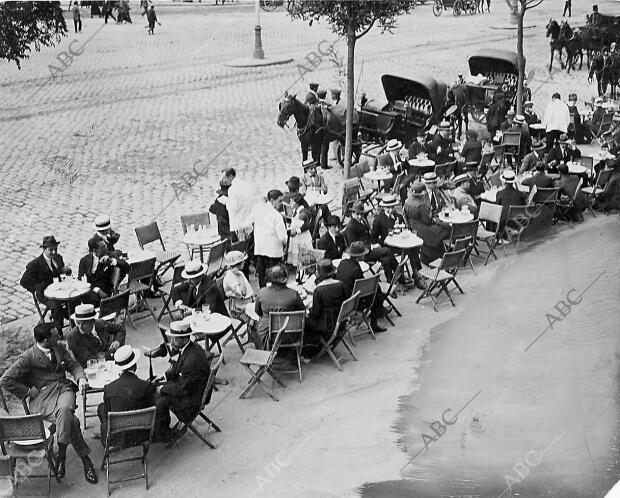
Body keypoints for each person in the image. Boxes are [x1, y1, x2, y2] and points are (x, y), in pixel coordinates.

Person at [0, 323, 98, 484]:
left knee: (66, 409)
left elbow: (73, 364)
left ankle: (61, 454)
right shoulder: (28, 356)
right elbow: (5, 380)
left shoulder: (59, 347)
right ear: (45, 340)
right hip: (43, 398)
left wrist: (80, 377)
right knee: (71, 421)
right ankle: (85, 461)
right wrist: (27, 391)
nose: (58, 337)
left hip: (64, 390)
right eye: (54, 335)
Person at [152, 321, 211, 442]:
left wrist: (162, 388)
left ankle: (163, 433)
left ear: (185, 339)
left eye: (175, 339)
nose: (171, 342)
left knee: (162, 400)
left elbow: (183, 389)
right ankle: (160, 428)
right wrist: (164, 376)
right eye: (172, 339)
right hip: (192, 387)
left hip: (193, 398)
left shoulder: (191, 359)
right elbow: (178, 367)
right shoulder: (190, 347)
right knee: (156, 385)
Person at [97, 345, 155, 448]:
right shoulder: (146, 386)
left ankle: (106, 438)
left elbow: (106, 414)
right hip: (141, 436)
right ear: (135, 366)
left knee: (101, 408)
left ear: (119, 369)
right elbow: (152, 408)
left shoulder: (109, 388)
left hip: (117, 439)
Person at [20, 235, 72, 334]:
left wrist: (66, 271)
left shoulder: (58, 258)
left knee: (73, 298)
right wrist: (36, 288)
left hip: (60, 289)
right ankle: (58, 330)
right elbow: (23, 281)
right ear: (44, 249)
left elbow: (60, 272)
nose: (54, 252)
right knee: (57, 305)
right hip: (45, 294)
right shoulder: (35, 264)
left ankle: (72, 322)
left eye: (55, 249)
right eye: (51, 250)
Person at [371, 195, 423, 288]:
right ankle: (395, 278)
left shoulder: (398, 216)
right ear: (383, 207)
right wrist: (382, 242)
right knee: (387, 258)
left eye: (392, 207)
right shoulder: (378, 220)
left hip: (401, 244)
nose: (390, 210)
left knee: (413, 249)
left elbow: (405, 229)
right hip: (388, 246)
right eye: (388, 208)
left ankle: (416, 275)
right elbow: (373, 238)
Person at [335, 242, 387, 333]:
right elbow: (362, 286)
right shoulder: (356, 269)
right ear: (360, 256)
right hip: (353, 302)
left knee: (376, 290)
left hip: (342, 297)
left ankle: (380, 311)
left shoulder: (342, 263)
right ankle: (374, 324)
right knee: (377, 295)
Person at [344, 200, 398, 282]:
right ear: (352, 213)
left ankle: (390, 281)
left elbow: (369, 236)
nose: (359, 216)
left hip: (369, 247)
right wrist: (372, 247)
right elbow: (354, 246)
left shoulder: (362, 220)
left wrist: (375, 243)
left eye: (361, 214)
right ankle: (399, 274)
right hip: (362, 253)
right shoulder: (351, 226)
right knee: (388, 250)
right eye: (357, 214)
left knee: (386, 259)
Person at [254, 265, 305, 348]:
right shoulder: (294, 293)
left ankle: (261, 348)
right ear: (286, 278)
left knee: (253, 323)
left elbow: (258, 312)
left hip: (269, 336)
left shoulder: (262, 292)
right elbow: (302, 312)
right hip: (291, 336)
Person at [303, 259, 349, 353]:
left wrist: (308, 309)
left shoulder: (319, 290)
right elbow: (345, 300)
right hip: (340, 321)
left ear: (320, 273)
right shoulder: (340, 284)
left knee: (304, 318)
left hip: (327, 325)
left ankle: (310, 348)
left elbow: (315, 314)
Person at [404, 181, 451, 264]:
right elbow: (427, 221)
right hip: (422, 229)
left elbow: (405, 216)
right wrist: (436, 221)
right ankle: (436, 256)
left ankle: (428, 255)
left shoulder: (407, 201)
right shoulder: (421, 204)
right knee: (444, 229)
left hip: (412, 227)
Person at [66, 304, 126, 368]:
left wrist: (117, 341)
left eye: (84, 324)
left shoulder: (100, 324)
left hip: (110, 362)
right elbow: (87, 359)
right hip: (92, 368)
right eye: (78, 323)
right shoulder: (73, 336)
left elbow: (120, 328)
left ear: (92, 321)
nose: (80, 327)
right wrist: (110, 354)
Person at [252, 189, 288, 288]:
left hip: (260, 250)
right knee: (275, 278)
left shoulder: (257, 211)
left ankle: (263, 296)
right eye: (279, 201)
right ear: (272, 201)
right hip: (274, 253)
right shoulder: (276, 216)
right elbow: (282, 238)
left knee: (263, 277)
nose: (281, 203)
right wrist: (285, 244)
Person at [78, 237, 126, 303]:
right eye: (103, 247)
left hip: (105, 292)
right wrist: (96, 289)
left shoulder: (109, 255)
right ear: (95, 250)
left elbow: (125, 265)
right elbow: (80, 279)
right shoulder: (85, 260)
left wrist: (112, 261)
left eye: (105, 246)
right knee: (76, 299)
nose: (106, 248)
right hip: (90, 290)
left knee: (85, 300)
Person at [222, 251, 256, 332]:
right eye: (242, 261)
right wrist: (240, 278)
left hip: (246, 303)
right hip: (237, 309)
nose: (244, 262)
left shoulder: (239, 273)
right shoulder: (230, 277)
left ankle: (252, 334)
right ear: (237, 264)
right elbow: (242, 293)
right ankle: (255, 336)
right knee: (258, 321)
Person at [287, 193, 314, 267]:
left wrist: (297, 231)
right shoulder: (296, 210)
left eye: (292, 201)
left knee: (303, 255)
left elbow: (307, 225)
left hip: (302, 237)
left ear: (297, 203)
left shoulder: (303, 212)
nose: (290, 203)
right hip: (296, 235)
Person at [301, 159, 330, 223]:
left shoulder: (320, 177)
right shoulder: (303, 178)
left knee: (325, 208)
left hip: (319, 199)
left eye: (314, 168)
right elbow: (304, 192)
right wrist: (318, 189)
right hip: (309, 200)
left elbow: (324, 189)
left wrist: (324, 190)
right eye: (311, 169)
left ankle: (328, 222)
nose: (314, 170)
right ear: (306, 170)